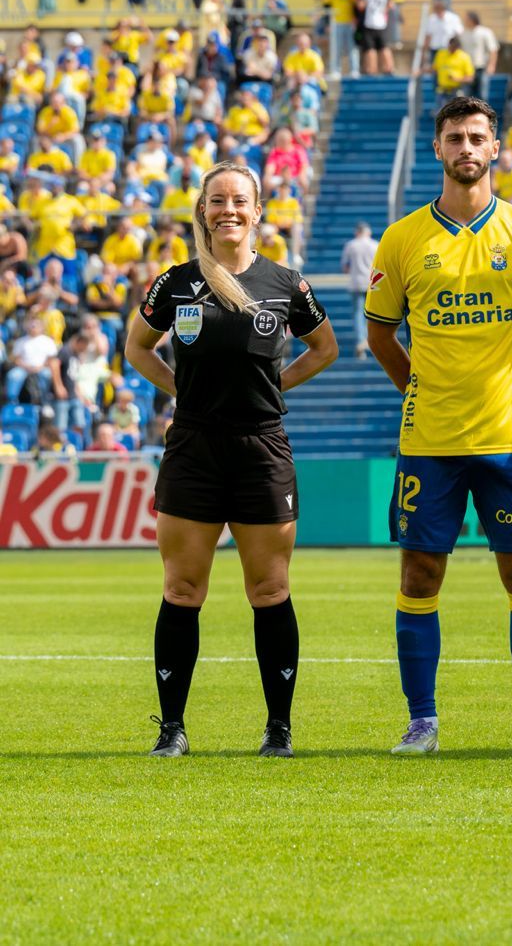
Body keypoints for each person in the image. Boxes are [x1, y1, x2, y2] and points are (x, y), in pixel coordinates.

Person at [365, 96, 512, 757]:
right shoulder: (401, 239)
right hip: (429, 444)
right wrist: (417, 389)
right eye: (454, 137)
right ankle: (421, 721)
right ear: (437, 148)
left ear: (496, 147)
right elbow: (377, 333)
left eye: (476, 137)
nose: (465, 147)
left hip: (509, 441)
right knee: (419, 576)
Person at [125, 161, 339, 757]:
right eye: (217, 200)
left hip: (261, 447)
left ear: (258, 210)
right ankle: (173, 729)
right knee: (182, 587)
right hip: (192, 445)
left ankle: (279, 729)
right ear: (203, 210)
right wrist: (181, 392)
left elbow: (324, 347)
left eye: (240, 200)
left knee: (270, 589)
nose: (229, 210)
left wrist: (278, 387)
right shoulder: (175, 283)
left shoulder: (286, 283)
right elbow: (136, 348)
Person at [340, 222, 378, 358]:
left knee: (357, 313)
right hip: (372, 283)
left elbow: (345, 267)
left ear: (357, 232)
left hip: (356, 282)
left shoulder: (351, 245)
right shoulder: (375, 245)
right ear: (368, 232)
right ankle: (372, 340)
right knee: (373, 313)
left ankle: (361, 340)